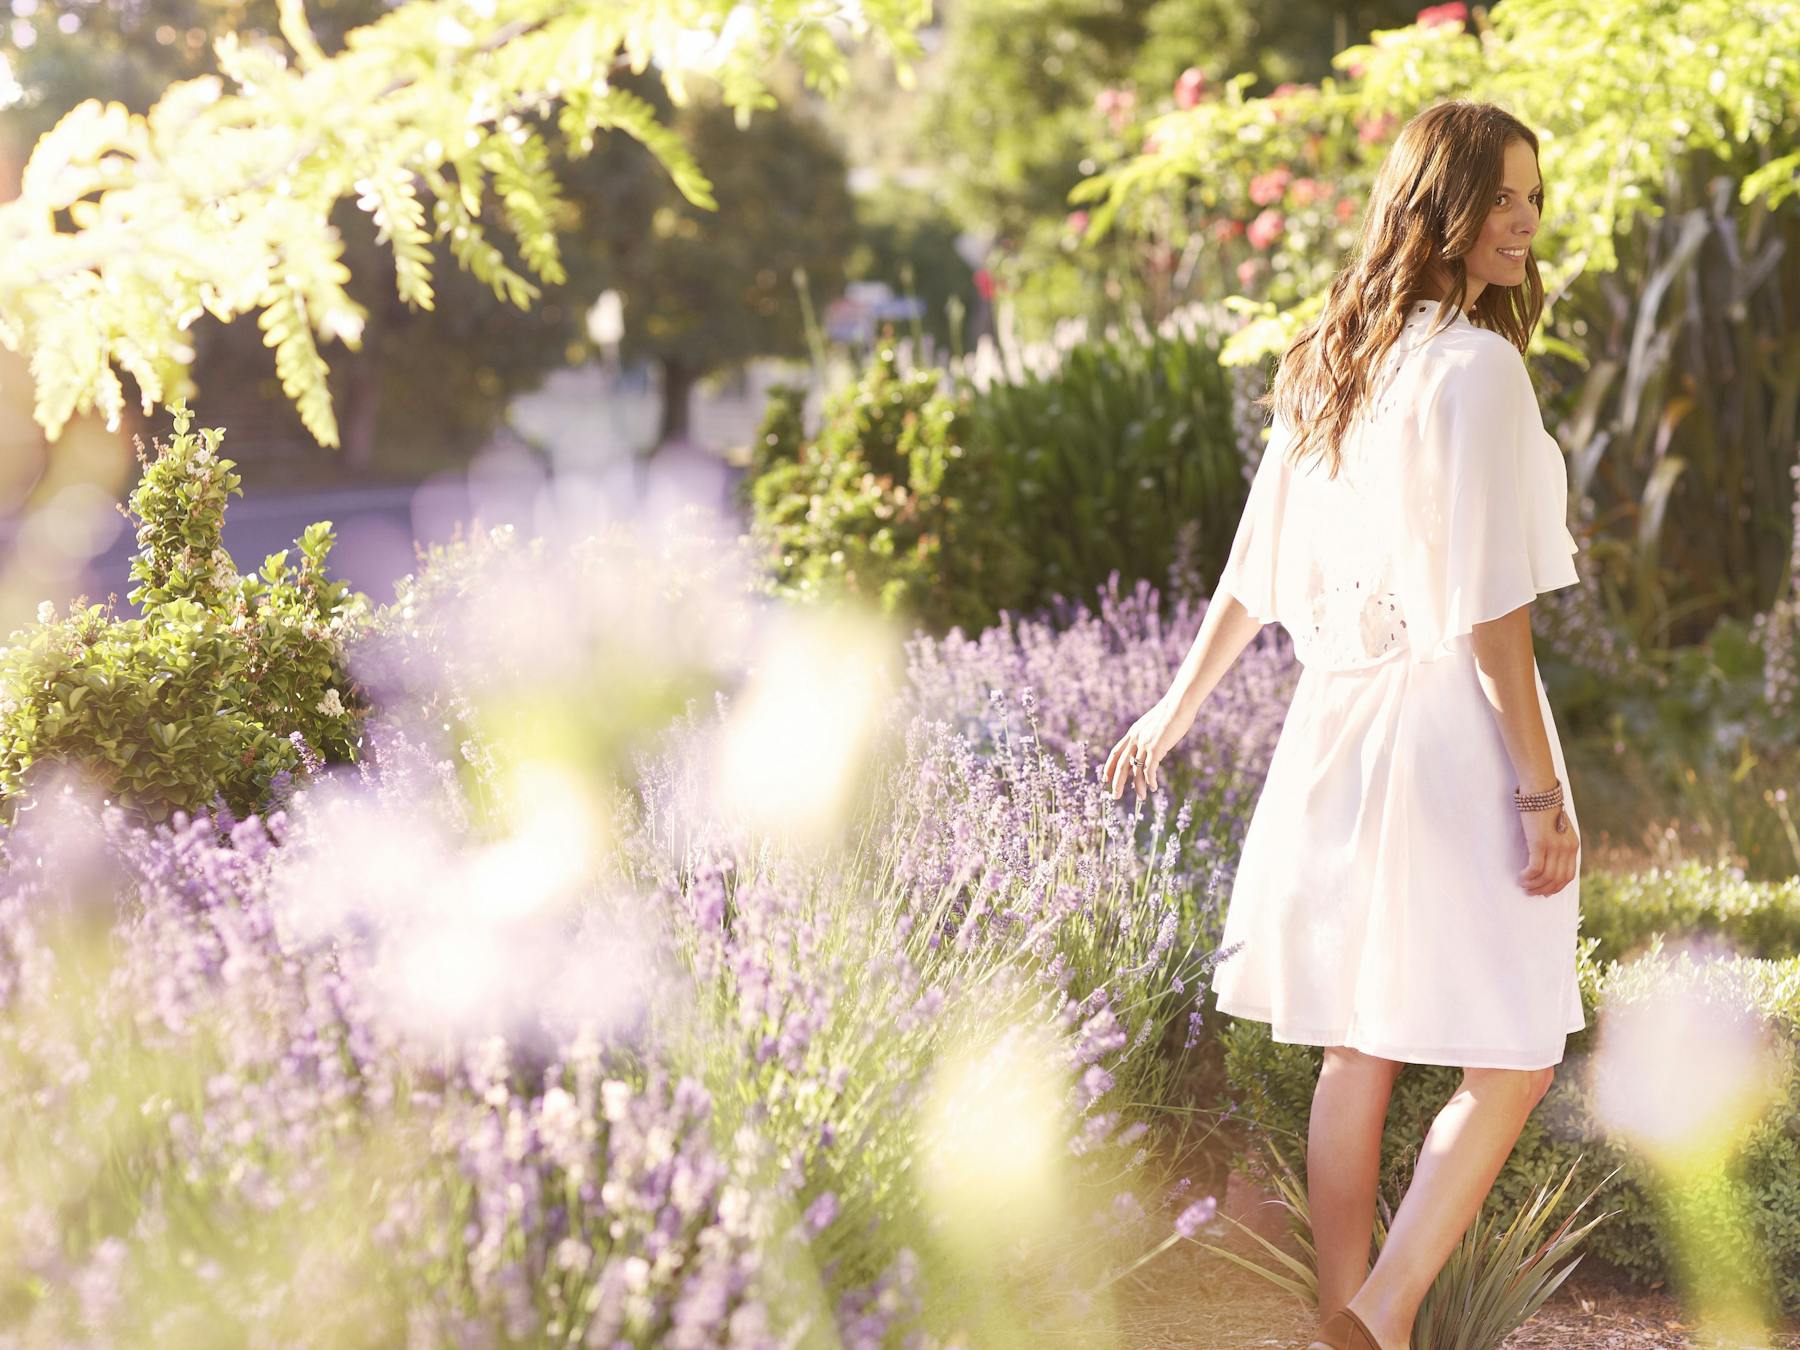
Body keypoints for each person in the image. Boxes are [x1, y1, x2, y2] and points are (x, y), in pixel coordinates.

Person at [1102, 101, 1581, 1350]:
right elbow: (1492, 617)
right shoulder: (1478, 368)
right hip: (1440, 734)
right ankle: (1378, 1311)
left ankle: (1343, 1323)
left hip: (1329, 733)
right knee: (1520, 1048)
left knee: (1354, 1045)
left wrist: (1175, 704)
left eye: (1535, 196)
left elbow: (1253, 573)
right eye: (1502, 198)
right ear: (1440, 206)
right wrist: (1540, 791)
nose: (1526, 220)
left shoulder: (1334, 357)